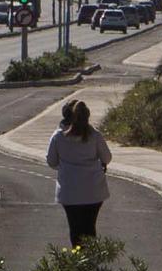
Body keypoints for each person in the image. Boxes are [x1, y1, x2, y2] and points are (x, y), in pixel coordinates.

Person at [46, 99, 112, 247]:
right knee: (89, 228)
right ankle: (91, 261)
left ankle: (78, 262)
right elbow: (107, 158)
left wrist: (65, 167)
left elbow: (51, 161)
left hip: (69, 191)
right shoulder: (95, 135)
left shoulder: (58, 137)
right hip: (94, 191)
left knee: (75, 229)